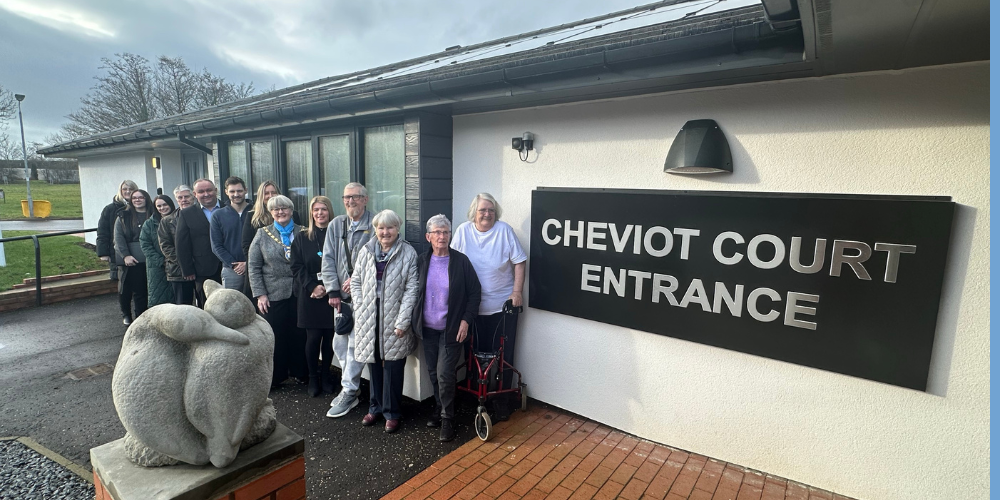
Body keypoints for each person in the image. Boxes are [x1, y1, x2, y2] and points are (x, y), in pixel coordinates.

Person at [450, 193, 527, 421]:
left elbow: (520, 261)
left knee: (503, 354)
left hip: (501, 307)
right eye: (483, 210)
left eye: (491, 210)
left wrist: (517, 292)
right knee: (472, 352)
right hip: (472, 308)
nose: (487, 214)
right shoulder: (463, 231)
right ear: (474, 211)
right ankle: (474, 394)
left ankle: (502, 399)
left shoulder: (504, 231)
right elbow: (452, 263)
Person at [412, 215, 481, 442]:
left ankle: (447, 419)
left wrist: (466, 320)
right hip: (428, 328)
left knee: (444, 374)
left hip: (452, 329)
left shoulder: (461, 262)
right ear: (428, 236)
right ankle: (439, 408)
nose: (442, 237)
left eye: (446, 232)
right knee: (433, 371)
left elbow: (474, 293)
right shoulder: (422, 261)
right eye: (437, 232)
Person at [353, 209, 419, 433]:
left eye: (390, 227)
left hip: (395, 316)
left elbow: (412, 290)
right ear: (375, 229)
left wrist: (403, 321)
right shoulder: (366, 250)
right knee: (374, 364)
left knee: (393, 366)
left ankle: (392, 412)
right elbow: (356, 281)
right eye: (381, 228)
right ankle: (375, 408)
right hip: (369, 316)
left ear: (397, 229)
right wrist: (361, 306)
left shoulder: (408, 253)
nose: (385, 232)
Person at [321, 182, 375, 418]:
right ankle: (350, 384)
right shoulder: (336, 225)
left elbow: (378, 259)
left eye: (355, 197)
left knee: (354, 346)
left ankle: (349, 391)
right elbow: (328, 259)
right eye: (346, 197)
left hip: (364, 298)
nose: (350, 201)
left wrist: (356, 280)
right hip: (341, 300)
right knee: (340, 344)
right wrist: (332, 290)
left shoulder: (375, 224)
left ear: (365, 199)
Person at [248, 195, 308, 389]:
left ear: (291, 210)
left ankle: (300, 373)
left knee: (300, 335)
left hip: (300, 292)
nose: (280, 212)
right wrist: (260, 294)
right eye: (276, 209)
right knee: (275, 336)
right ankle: (275, 376)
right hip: (272, 294)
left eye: (284, 208)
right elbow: (254, 266)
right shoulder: (262, 234)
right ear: (271, 212)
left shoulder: (304, 232)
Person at [290, 196, 337, 398]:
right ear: (311, 213)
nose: (320, 213)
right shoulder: (302, 237)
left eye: (323, 209)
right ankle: (313, 378)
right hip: (309, 295)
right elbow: (296, 266)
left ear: (329, 212)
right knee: (313, 338)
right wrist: (312, 286)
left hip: (331, 293)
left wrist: (329, 287)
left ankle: (326, 376)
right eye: (316, 210)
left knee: (329, 338)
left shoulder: (336, 235)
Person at [241, 181, 301, 300]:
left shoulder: (293, 216)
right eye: (266, 193)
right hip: (270, 284)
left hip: (296, 285)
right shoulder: (253, 217)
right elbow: (248, 247)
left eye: (273, 192)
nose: (270, 195)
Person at [176, 178, 223, 308]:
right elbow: (182, 244)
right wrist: (187, 269)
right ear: (195, 195)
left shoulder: (228, 208)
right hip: (203, 268)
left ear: (216, 190)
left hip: (230, 266)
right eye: (201, 191)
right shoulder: (187, 214)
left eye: (209, 190)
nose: (206, 194)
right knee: (207, 305)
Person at [114, 189, 153, 325]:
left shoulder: (154, 214)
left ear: (146, 199)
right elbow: (118, 238)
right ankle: (134, 318)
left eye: (141, 197)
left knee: (149, 290)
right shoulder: (124, 216)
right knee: (136, 291)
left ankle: (147, 318)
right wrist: (126, 256)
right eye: (134, 198)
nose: (137, 200)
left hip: (151, 259)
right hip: (132, 260)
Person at [211, 176, 250, 291]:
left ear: (246, 190)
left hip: (256, 268)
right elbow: (216, 245)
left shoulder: (256, 212)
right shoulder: (218, 215)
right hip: (231, 270)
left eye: (239, 191)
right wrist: (234, 264)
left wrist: (248, 263)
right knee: (232, 306)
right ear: (226, 192)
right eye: (232, 191)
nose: (236, 194)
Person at [159, 185, 196, 305]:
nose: (183, 200)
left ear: (193, 196)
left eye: (187, 196)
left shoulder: (202, 215)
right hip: (178, 271)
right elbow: (166, 246)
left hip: (203, 267)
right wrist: (185, 263)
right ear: (176, 199)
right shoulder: (167, 221)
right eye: (180, 197)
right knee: (184, 307)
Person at [97, 180, 138, 283]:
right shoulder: (110, 209)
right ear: (120, 191)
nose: (128, 191)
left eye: (131, 189)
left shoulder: (140, 208)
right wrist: (103, 253)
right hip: (116, 251)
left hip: (137, 250)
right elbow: (103, 231)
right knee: (122, 284)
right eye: (125, 189)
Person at [140, 194, 176, 307]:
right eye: (159, 206)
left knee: (177, 297)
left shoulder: (179, 219)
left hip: (176, 264)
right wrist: (161, 261)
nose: (162, 208)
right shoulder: (149, 224)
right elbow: (145, 245)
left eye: (165, 204)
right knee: (158, 297)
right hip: (157, 267)